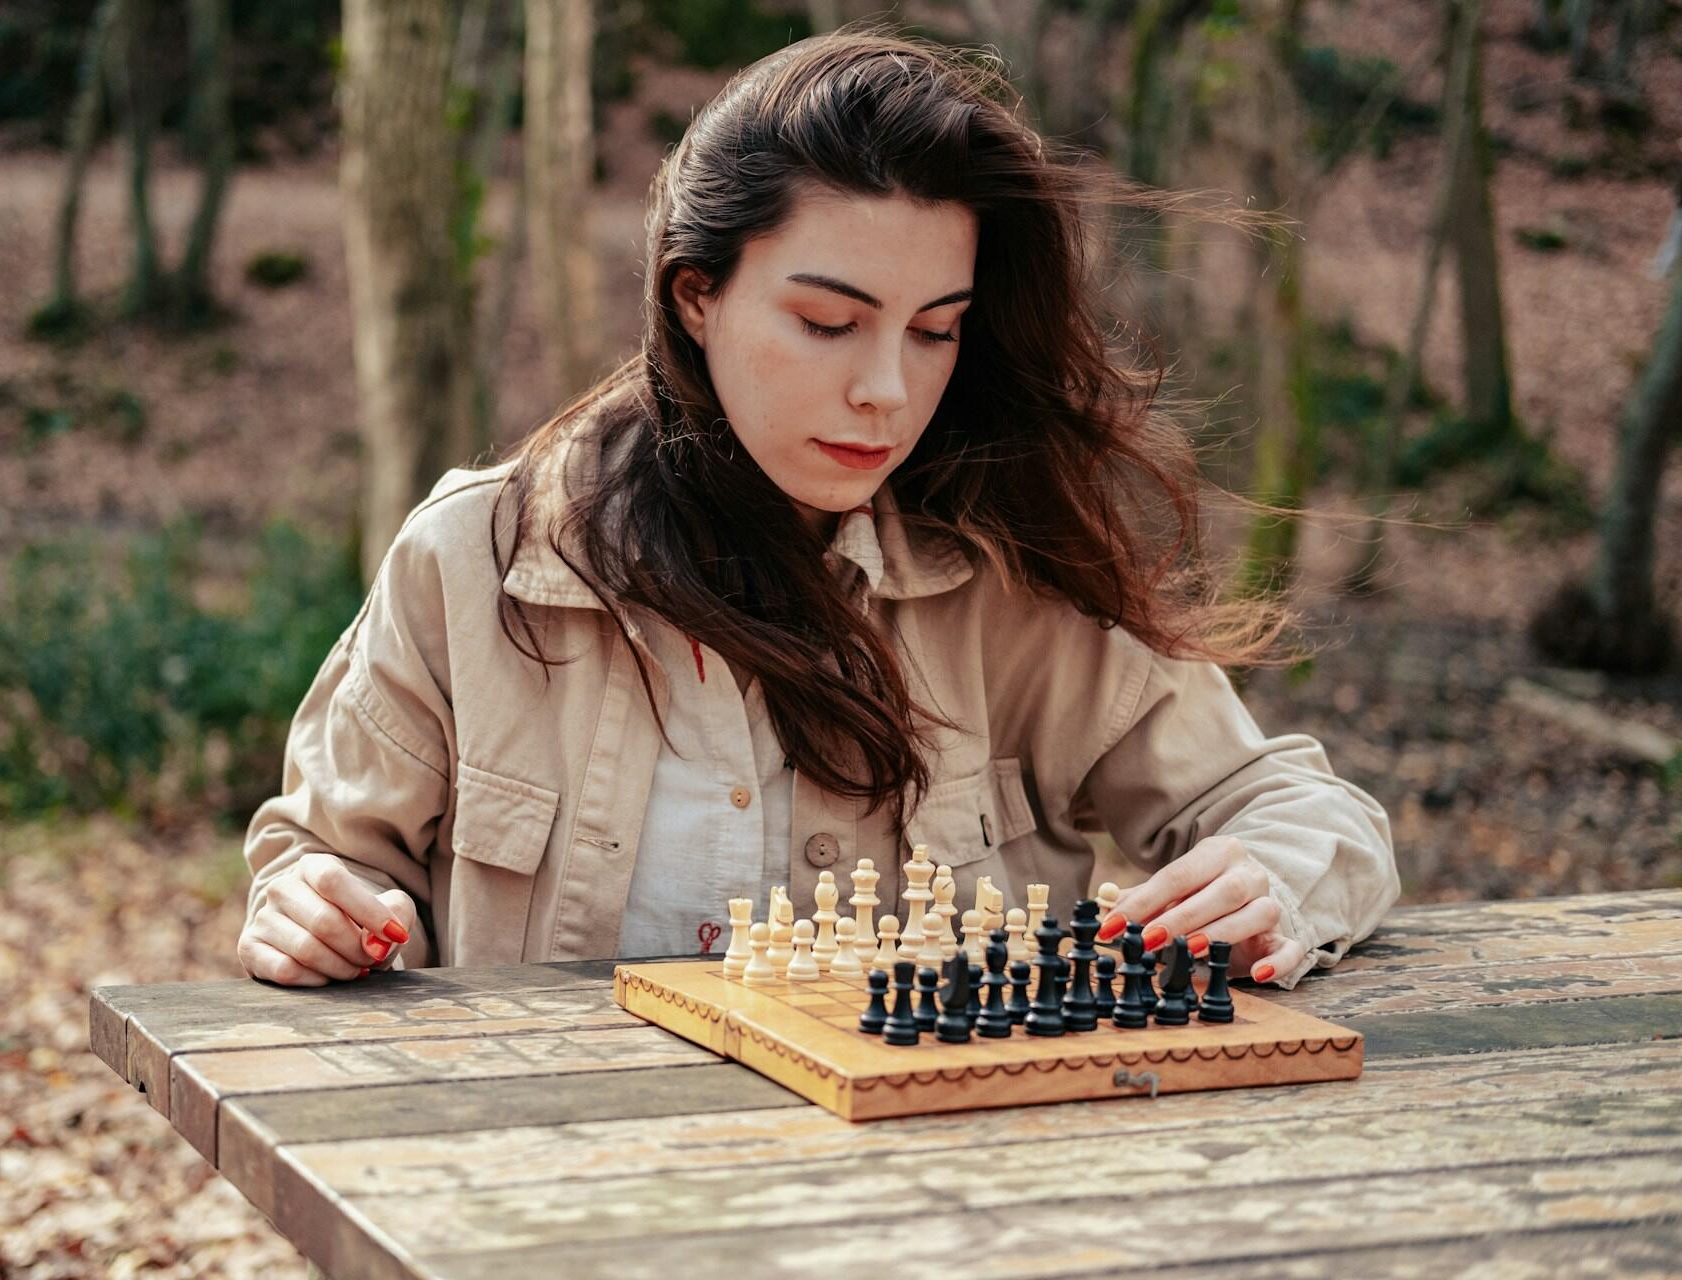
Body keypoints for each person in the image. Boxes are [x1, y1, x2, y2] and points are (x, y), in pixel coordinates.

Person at [236, 28, 1398, 990]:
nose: (887, 388)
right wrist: (313, 909)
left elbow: (1296, 805)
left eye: (935, 329)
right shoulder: (473, 560)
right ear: (697, 295)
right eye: (829, 322)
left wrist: (1275, 877)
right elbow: (317, 856)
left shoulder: (1009, 578)